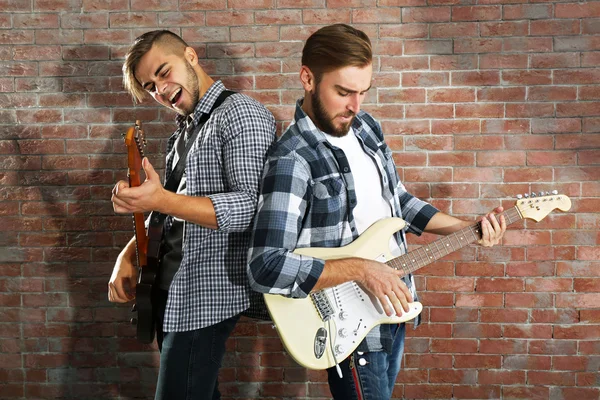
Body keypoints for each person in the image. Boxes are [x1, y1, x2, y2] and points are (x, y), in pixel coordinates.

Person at [247, 24, 506, 400]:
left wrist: (468, 228)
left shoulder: (366, 128)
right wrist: (362, 269)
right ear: (307, 78)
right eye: (343, 92)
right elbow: (265, 265)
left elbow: (398, 202)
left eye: (363, 92)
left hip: (390, 310)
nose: (355, 105)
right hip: (346, 325)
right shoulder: (292, 159)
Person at [108, 30, 276, 400]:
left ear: (190, 56)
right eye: (150, 86)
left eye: (164, 72)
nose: (161, 90)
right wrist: (130, 252)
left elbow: (252, 208)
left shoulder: (240, 114)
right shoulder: (184, 129)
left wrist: (160, 200)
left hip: (208, 296)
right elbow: (172, 211)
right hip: (174, 292)